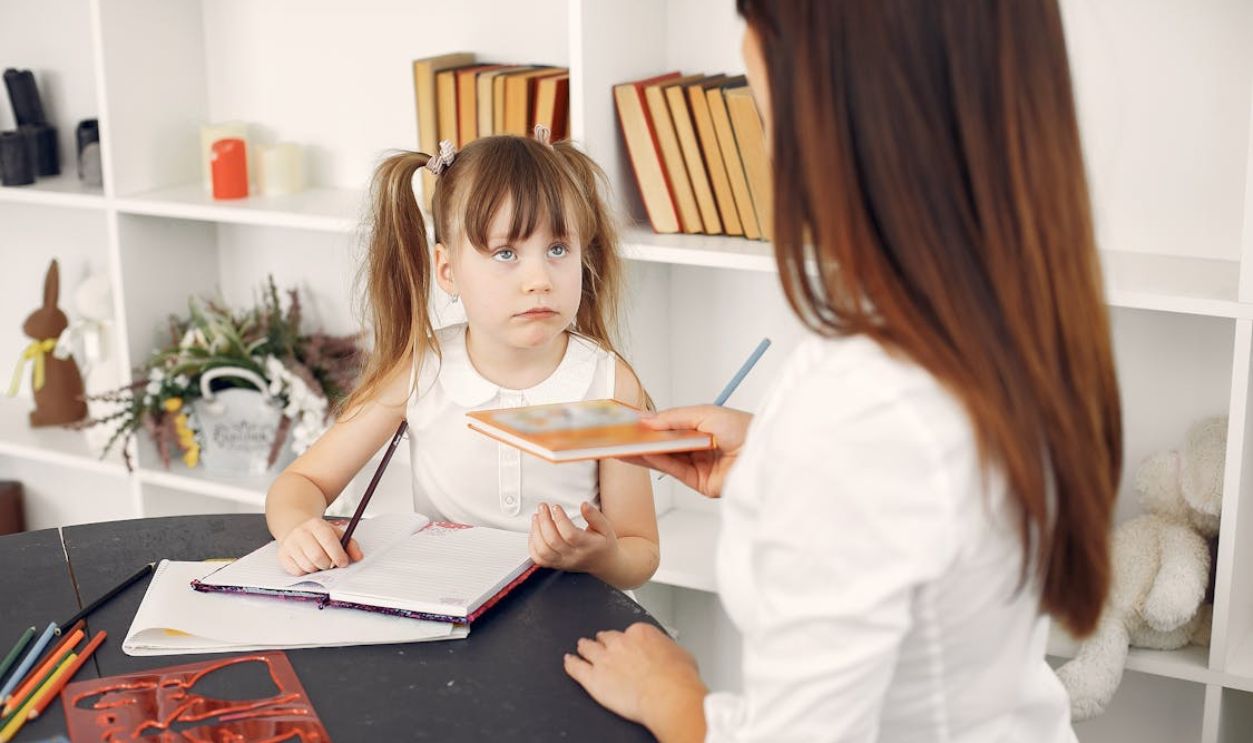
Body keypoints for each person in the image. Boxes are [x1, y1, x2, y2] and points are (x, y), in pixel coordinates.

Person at [564, 1, 1122, 739]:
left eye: (765, 119)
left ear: (848, 125)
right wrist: (778, 458)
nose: (767, 160)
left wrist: (674, 690)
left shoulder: (859, 410)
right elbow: (932, 507)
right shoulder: (1013, 319)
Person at [264, 128, 660, 591]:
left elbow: (641, 550)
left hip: (566, 616)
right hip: (447, 612)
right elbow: (301, 482)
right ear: (448, 271)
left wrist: (604, 557)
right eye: (506, 253)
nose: (539, 279)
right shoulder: (422, 370)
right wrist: (298, 527)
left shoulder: (609, 383)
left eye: (557, 249)